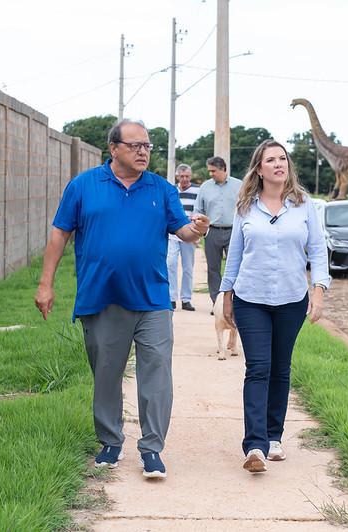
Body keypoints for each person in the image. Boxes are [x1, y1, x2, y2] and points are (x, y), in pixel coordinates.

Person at [34, 119, 209, 479]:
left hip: (153, 299)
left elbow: (183, 231)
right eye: (135, 145)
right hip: (102, 297)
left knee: (157, 371)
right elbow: (59, 234)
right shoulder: (83, 186)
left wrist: (198, 229)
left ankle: (152, 448)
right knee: (106, 374)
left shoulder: (161, 189)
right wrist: (45, 284)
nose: (144, 151)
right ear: (114, 149)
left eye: (147, 146)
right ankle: (111, 442)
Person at [219, 140, 330, 473]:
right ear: (259, 168)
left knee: (281, 368)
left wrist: (319, 289)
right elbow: (235, 253)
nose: (279, 164)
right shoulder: (246, 208)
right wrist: (226, 293)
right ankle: (254, 445)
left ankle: (274, 436)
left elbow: (318, 250)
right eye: (271, 159)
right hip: (251, 299)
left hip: (291, 299)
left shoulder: (303, 205)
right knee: (258, 368)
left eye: (283, 159)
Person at [194, 156, 242, 307]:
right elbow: (198, 210)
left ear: (223, 169)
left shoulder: (239, 186)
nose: (211, 174)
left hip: (234, 232)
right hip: (212, 232)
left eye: (213, 171)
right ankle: (217, 303)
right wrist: (199, 229)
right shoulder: (205, 187)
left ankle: (234, 302)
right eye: (209, 171)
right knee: (213, 269)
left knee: (235, 267)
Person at [167, 164, 200, 311]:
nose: (185, 179)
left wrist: (197, 233)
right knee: (170, 265)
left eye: (187, 176)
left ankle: (186, 299)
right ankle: (172, 298)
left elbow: (199, 211)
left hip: (190, 233)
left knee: (188, 268)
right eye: (182, 176)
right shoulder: (171, 190)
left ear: (190, 176)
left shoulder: (197, 191)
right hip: (173, 233)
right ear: (177, 176)